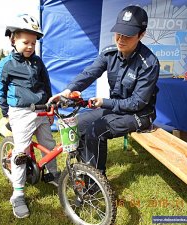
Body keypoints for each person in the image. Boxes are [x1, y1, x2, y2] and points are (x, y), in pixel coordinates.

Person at [48, 6, 160, 177]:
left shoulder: (149, 63)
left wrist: (104, 102)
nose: (121, 39)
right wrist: (67, 91)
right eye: (118, 33)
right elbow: (89, 74)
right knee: (77, 123)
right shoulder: (110, 53)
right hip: (117, 109)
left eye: (128, 35)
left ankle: (96, 182)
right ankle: (86, 170)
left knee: (96, 130)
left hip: (140, 114)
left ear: (142, 35)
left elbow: (137, 102)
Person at [0, 14, 60, 219]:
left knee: (49, 144)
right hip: (21, 112)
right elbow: (1, 88)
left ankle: (51, 174)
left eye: (33, 43)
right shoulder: (7, 64)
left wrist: (51, 107)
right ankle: (18, 193)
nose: (30, 46)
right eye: (26, 42)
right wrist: (6, 112)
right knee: (21, 152)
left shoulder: (38, 62)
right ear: (13, 40)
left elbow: (46, 84)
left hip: (42, 109)